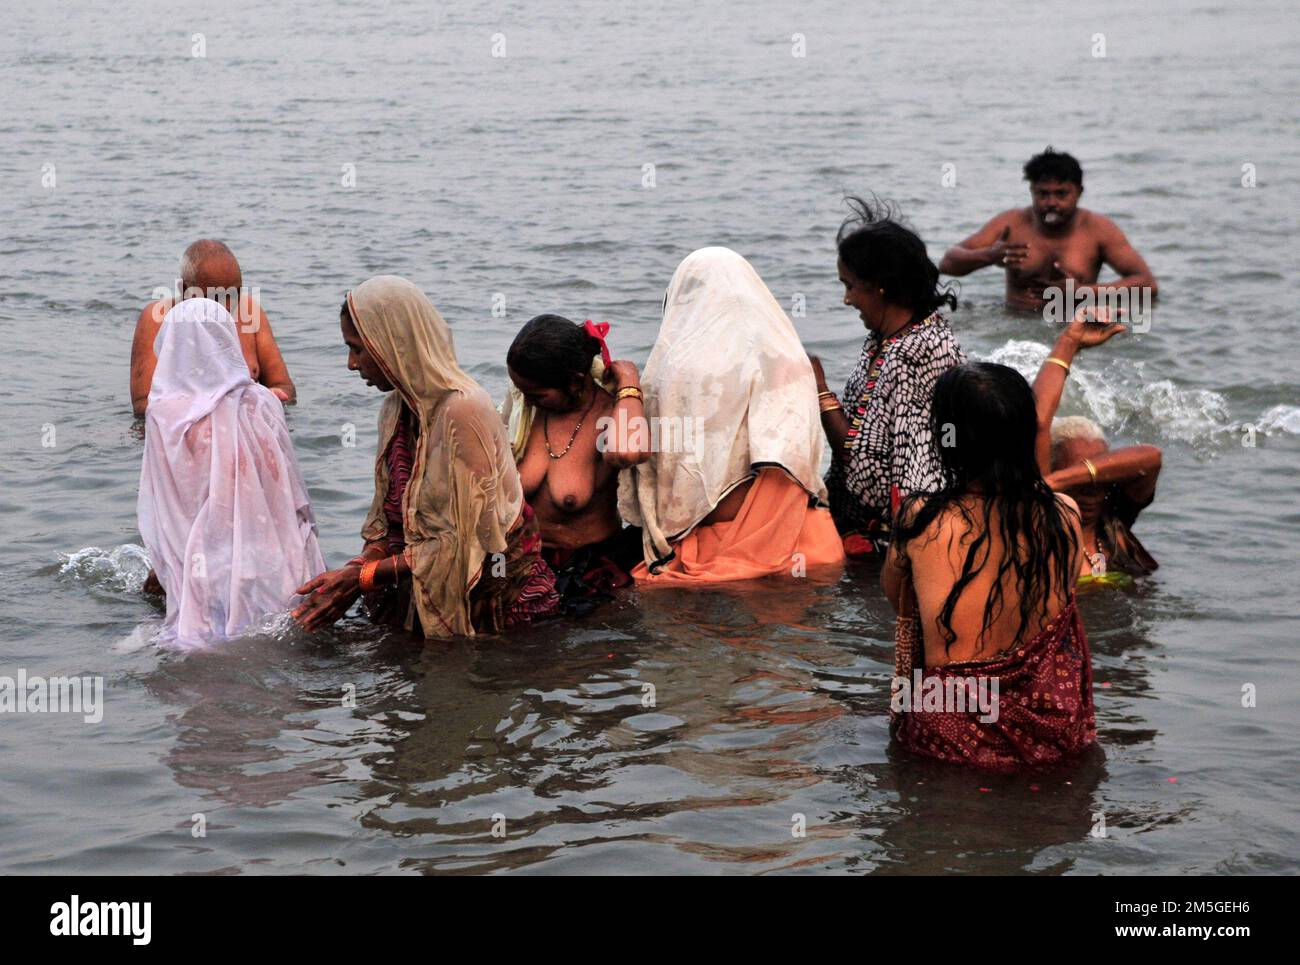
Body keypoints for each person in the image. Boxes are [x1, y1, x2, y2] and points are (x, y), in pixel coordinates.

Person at [291, 276, 560, 637]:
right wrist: (354, 571)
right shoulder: (395, 409)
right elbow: (385, 525)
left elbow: (463, 547)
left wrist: (361, 578)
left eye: (358, 349)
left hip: (493, 603)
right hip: (415, 587)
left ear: (392, 345)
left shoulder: (463, 410)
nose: (351, 365)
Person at [883, 362, 1096, 770]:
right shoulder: (1065, 516)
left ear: (948, 440)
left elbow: (899, 602)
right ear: (1024, 436)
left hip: (948, 741)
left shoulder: (921, 520)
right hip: (1050, 735)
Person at [618, 247, 844, 583]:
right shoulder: (789, 356)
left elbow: (658, 468)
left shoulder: (674, 367)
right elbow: (799, 457)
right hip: (802, 544)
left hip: (709, 546)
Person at [137, 298, 324, 647]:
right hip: (277, 562)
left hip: (202, 569)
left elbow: (170, 510)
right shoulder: (263, 402)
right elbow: (292, 493)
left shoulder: (165, 416)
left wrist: (164, 570)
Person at [810, 196, 964, 555]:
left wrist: (819, 392)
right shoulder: (882, 339)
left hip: (903, 539)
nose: (846, 299)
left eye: (849, 286)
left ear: (880, 286)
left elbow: (872, 478)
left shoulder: (918, 352)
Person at [501, 314, 650, 606]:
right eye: (522, 391)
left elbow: (628, 452)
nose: (526, 400)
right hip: (525, 564)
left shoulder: (610, 414)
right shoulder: (525, 412)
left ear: (575, 382)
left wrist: (629, 383)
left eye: (538, 394)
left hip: (589, 574)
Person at [938, 147, 1158, 312]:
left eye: (1061, 194)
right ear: (1032, 191)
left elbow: (1147, 286)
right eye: (1043, 194)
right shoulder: (1012, 223)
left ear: (1079, 192)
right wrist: (987, 255)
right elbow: (948, 263)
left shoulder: (1099, 230)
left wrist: (1082, 293)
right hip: (1014, 325)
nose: (1051, 202)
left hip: (1070, 326)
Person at [1031, 311, 1161, 578]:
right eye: (1079, 484)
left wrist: (1061, 480)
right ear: (1050, 467)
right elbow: (1038, 420)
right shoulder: (1045, 521)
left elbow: (1152, 457)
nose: (1091, 493)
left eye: (1100, 479)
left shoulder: (1116, 519)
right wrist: (1069, 341)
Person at [130, 239, 296, 417]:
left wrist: (270, 397)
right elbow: (143, 407)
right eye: (216, 297)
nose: (227, 306)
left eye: (235, 294)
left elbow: (285, 388)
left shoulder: (248, 311)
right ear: (186, 290)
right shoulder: (157, 318)